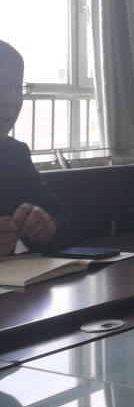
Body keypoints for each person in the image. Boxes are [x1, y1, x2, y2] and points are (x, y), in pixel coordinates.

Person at [0, 41, 72, 256]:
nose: (10, 101)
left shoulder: (15, 154)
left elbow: (65, 222)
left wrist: (47, 227)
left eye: (16, 88)